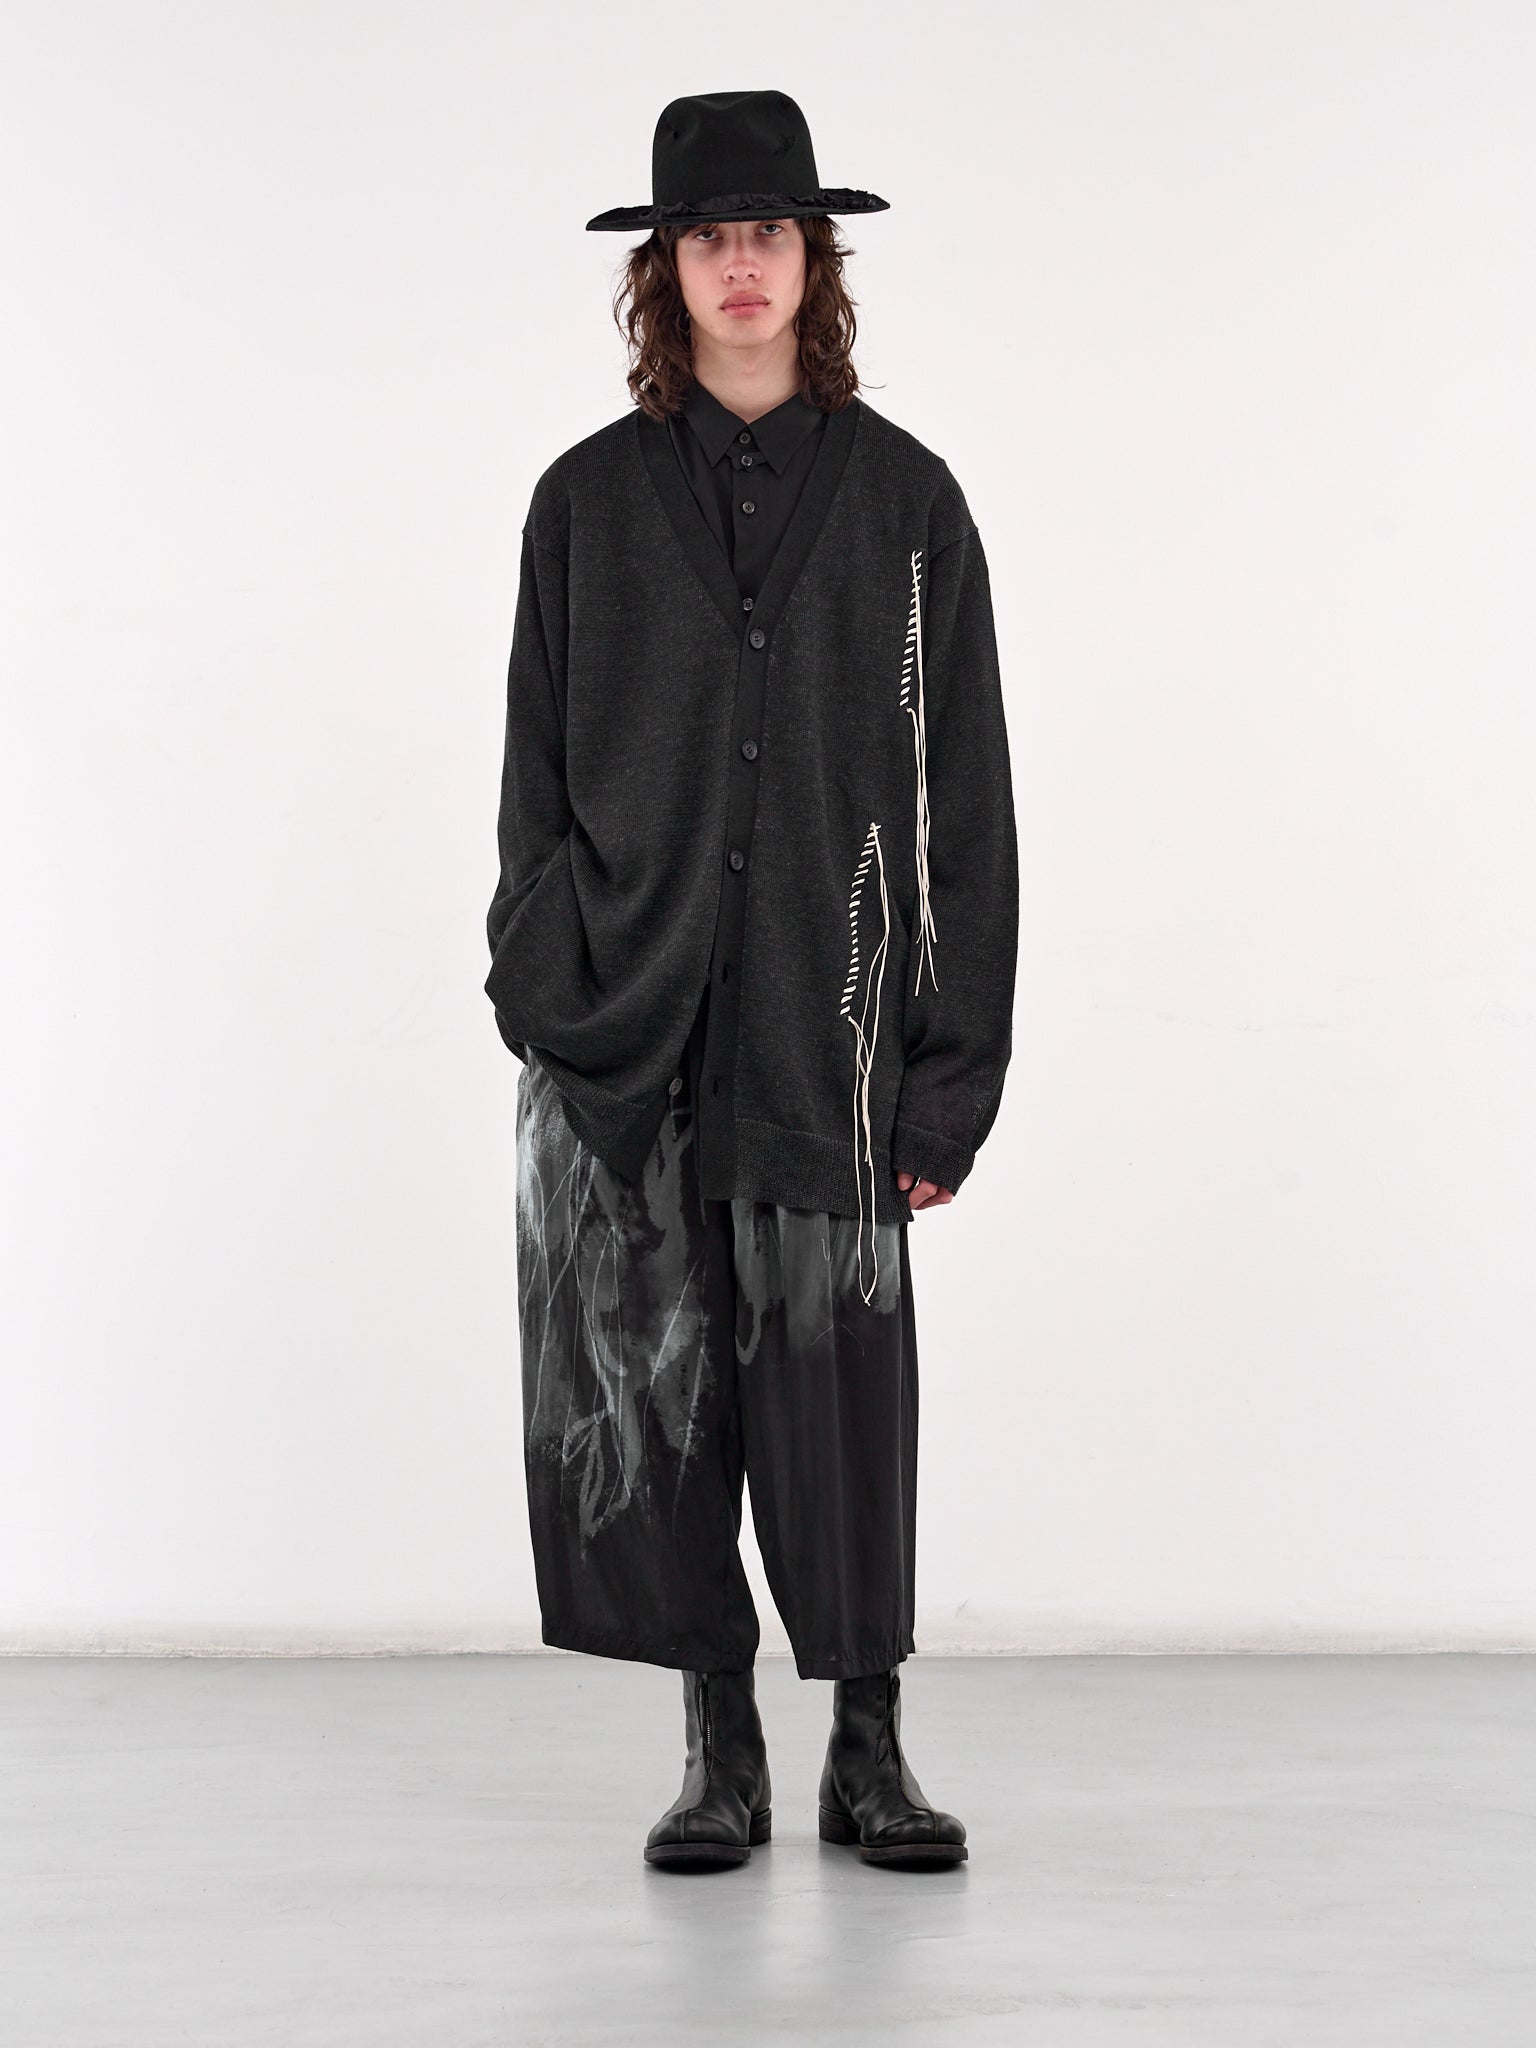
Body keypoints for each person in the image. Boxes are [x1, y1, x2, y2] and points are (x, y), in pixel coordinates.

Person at [485, 90, 1018, 1871]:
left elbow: (966, 808)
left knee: (841, 1397)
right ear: (665, 269)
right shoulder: (583, 505)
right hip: (629, 1034)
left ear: (814, 260)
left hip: (827, 1031)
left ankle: (868, 1745)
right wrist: (548, 985)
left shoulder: (911, 507)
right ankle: (718, 1745)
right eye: (707, 235)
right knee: (661, 1391)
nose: (739, 264)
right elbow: (532, 783)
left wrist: (948, 1078)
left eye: (768, 232)